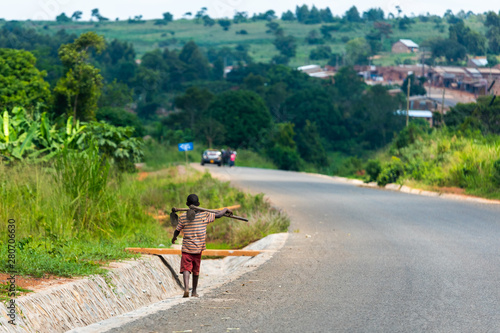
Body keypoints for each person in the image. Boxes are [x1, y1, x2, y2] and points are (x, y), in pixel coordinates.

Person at [171, 194, 233, 297]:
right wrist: (225, 209)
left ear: (187, 204)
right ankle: (194, 292)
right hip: (198, 249)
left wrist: (174, 238)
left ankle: (186, 288)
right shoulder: (205, 215)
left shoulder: (182, 217)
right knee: (196, 270)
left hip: (187, 248)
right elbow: (218, 215)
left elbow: (177, 230)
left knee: (186, 268)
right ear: (198, 204)